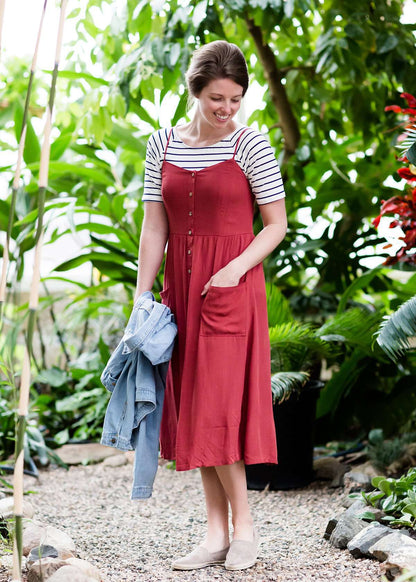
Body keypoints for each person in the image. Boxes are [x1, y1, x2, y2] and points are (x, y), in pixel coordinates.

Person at [136, 40, 287, 571]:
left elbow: (276, 226)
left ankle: (244, 528)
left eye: (236, 99)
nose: (226, 110)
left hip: (230, 287)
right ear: (195, 90)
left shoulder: (251, 144)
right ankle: (215, 534)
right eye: (216, 98)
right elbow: (155, 224)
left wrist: (234, 269)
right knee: (198, 406)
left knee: (219, 406)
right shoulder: (161, 144)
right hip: (180, 290)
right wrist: (142, 293)